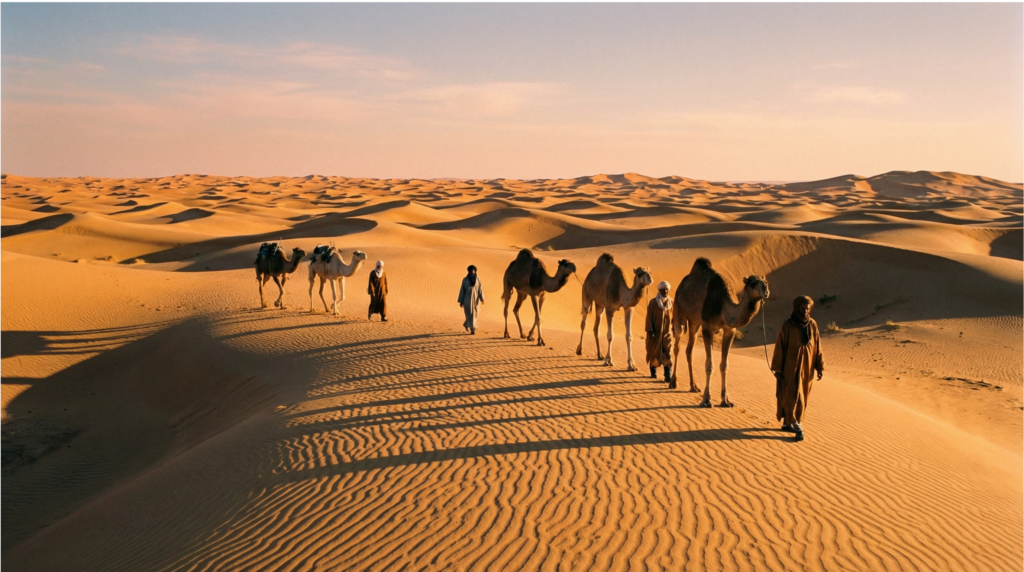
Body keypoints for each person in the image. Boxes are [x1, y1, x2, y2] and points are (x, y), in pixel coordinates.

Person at [771, 295, 825, 442]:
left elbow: (817, 346)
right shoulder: (787, 326)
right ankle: (797, 424)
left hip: (807, 369)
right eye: (803, 308)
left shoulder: (812, 325)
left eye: (808, 308)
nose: (805, 311)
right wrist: (778, 369)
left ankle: (788, 422)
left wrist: (820, 366)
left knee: (803, 395)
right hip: (789, 368)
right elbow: (779, 347)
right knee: (789, 395)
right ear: (796, 308)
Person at [645, 280, 674, 383]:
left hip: (667, 334)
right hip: (655, 333)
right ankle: (653, 371)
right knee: (654, 352)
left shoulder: (671, 303)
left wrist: (674, 329)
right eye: (663, 289)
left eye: (667, 289)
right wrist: (650, 330)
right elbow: (648, 318)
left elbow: (674, 318)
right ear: (659, 290)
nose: (665, 291)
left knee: (668, 353)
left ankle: (667, 375)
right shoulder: (653, 302)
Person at [458, 265, 484, 334]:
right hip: (467, 300)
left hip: (476, 300)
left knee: (476, 314)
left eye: (474, 270)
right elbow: (462, 290)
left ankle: (467, 324)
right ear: (469, 271)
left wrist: (482, 298)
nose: (472, 271)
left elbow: (480, 289)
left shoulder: (478, 279)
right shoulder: (465, 280)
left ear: (475, 271)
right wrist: (461, 301)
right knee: (470, 314)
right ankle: (473, 329)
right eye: (471, 270)